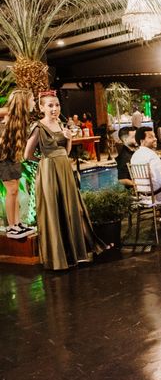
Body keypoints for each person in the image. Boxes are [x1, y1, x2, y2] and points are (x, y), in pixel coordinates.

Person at [23, 90, 107, 270]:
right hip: (49, 171)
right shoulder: (38, 127)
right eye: (50, 105)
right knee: (54, 209)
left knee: (71, 208)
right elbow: (27, 154)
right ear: (41, 107)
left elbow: (66, 152)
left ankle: (75, 252)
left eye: (57, 105)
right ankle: (58, 257)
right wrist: (45, 162)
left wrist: (68, 140)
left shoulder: (61, 125)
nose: (54, 108)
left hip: (65, 168)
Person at [0, 89, 36, 239]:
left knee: (14, 191)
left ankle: (17, 223)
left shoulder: (21, 119)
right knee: (12, 190)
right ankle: (11, 227)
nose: (34, 102)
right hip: (3, 158)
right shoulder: (7, 116)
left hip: (13, 157)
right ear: (23, 101)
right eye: (32, 99)